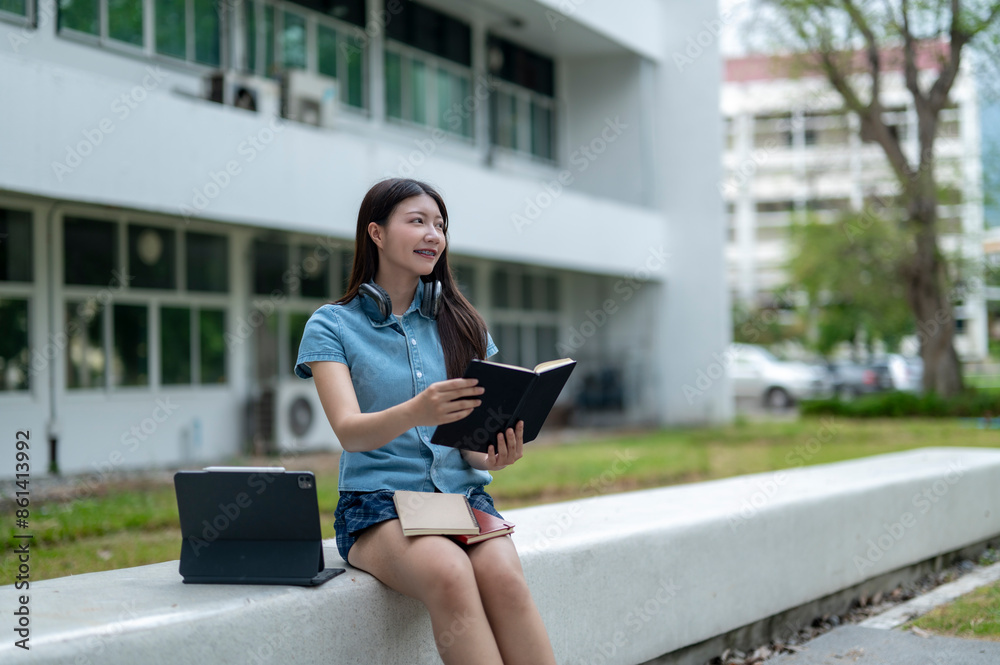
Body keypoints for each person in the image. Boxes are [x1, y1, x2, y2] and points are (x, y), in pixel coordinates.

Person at [294, 178, 557, 665]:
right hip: (379, 507)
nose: (433, 234)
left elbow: (473, 449)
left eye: (440, 225)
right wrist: (417, 411)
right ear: (375, 233)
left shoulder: (464, 323)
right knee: (450, 572)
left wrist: (496, 452)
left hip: (462, 499)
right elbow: (350, 431)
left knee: (505, 577)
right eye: (417, 222)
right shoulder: (330, 325)